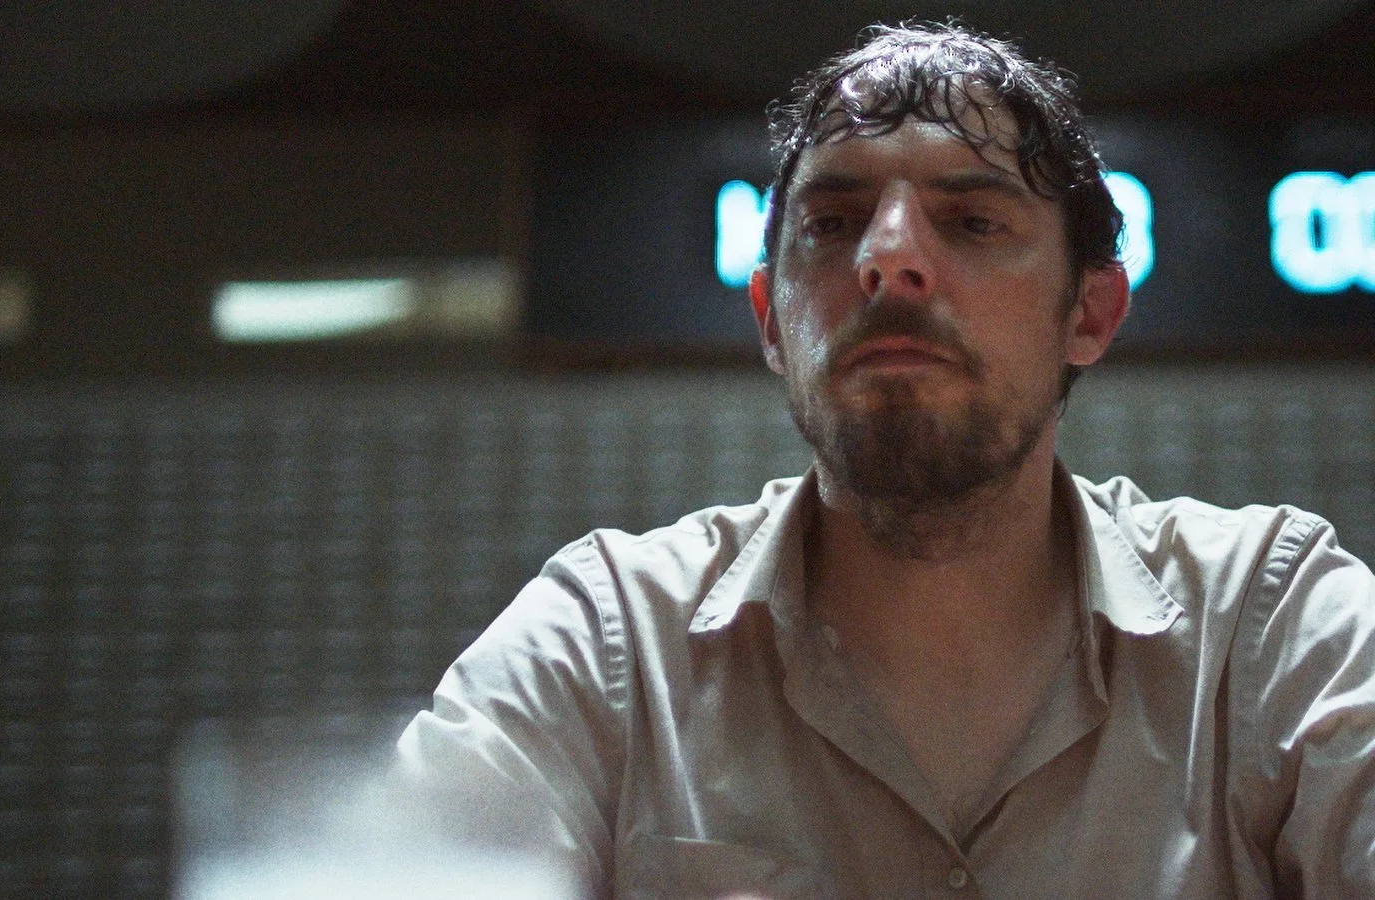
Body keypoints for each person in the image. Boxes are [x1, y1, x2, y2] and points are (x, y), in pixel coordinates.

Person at [395, 22, 1375, 898]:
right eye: (831, 223)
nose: (888, 255)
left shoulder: (1273, 625)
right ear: (771, 321)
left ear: (1089, 312)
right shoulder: (605, 644)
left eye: (972, 220)